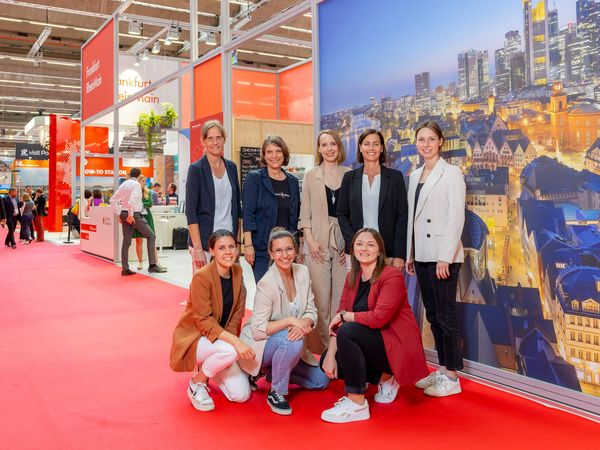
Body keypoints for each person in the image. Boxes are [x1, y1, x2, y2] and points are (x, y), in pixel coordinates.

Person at [320, 228, 428, 423]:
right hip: (372, 341)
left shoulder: (391, 275)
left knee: (349, 331)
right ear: (353, 249)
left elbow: (379, 318)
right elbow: (340, 316)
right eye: (359, 244)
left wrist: (346, 316)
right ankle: (384, 378)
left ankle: (357, 403)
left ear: (380, 251)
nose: (364, 248)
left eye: (371, 244)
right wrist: (329, 355)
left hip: (395, 343)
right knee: (330, 361)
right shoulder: (352, 277)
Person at [239, 228, 329, 415]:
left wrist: (303, 323)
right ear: (271, 253)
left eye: (289, 249)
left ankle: (272, 373)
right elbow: (257, 330)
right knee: (291, 339)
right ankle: (276, 392)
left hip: (289, 342)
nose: (284, 255)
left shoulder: (302, 271)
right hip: (260, 345)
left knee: (321, 381)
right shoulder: (267, 283)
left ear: (296, 251)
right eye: (278, 251)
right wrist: (290, 321)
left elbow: (311, 311)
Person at [406, 121, 466, 397]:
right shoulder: (415, 174)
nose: (426, 144)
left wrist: (445, 256)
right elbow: (412, 219)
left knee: (446, 315)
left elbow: (456, 217)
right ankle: (442, 369)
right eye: (421, 139)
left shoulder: (451, 173)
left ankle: (452, 377)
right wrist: (410, 253)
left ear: (440, 142)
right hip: (422, 255)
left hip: (443, 256)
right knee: (433, 315)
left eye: (431, 139)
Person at [170, 230, 254, 411]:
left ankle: (211, 365)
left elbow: (236, 315)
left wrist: (231, 344)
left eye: (232, 246)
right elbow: (203, 321)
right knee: (230, 351)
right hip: (195, 338)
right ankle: (197, 382)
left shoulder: (237, 272)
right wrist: (235, 344)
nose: (228, 252)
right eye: (221, 248)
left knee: (241, 395)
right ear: (212, 251)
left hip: (219, 342)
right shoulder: (202, 277)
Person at [299, 130, 350, 354]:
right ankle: (322, 353)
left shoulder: (350, 175)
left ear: (338, 147)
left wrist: (349, 245)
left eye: (333, 144)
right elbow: (305, 213)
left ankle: (339, 352)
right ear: (319, 149)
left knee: (340, 301)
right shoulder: (311, 176)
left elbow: (353, 214)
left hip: (342, 244)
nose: (329, 148)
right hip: (316, 242)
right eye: (324, 144)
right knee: (319, 302)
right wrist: (309, 241)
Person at [337, 128, 408, 270]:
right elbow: (342, 214)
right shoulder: (349, 178)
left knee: (386, 292)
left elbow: (402, 218)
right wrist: (353, 243)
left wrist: (399, 254)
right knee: (359, 291)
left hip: (387, 251)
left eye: (376, 144)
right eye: (367, 143)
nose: (371, 148)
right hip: (357, 252)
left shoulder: (395, 177)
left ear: (382, 148)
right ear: (360, 147)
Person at [185, 120, 242, 275]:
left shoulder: (231, 167)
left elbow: (237, 208)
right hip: (204, 242)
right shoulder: (196, 169)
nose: (215, 142)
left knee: (232, 290)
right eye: (210, 138)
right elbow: (191, 212)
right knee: (204, 292)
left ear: (224, 139)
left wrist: (237, 243)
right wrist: (197, 248)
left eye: (219, 137)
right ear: (203, 141)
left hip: (228, 240)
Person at [243, 135, 300, 283]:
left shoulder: (292, 181)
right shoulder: (254, 178)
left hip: (286, 251)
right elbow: (248, 214)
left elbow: (293, 216)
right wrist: (248, 245)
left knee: (286, 293)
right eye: (269, 152)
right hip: (262, 249)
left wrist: (296, 247)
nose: (274, 156)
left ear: (284, 154)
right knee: (267, 293)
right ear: (264, 155)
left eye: (278, 151)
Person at [109, 167, 167, 276]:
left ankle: (125, 268)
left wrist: (118, 214)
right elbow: (131, 202)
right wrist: (131, 215)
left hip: (124, 213)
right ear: (139, 175)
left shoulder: (123, 184)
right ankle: (152, 265)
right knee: (151, 236)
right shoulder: (136, 185)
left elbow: (113, 200)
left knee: (126, 241)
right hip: (134, 214)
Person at [133, 176, 159, 271]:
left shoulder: (148, 192)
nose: (144, 183)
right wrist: (143, 204)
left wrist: (141, 204)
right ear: (138, 182)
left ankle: (155, 262)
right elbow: (134, 203)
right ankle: (140, 262)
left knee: (152, 238)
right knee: (138, 240)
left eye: (145, 181)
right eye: (142, 181)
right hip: (138, 216)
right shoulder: (134, 192)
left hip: (147, 216)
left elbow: (150, 203)